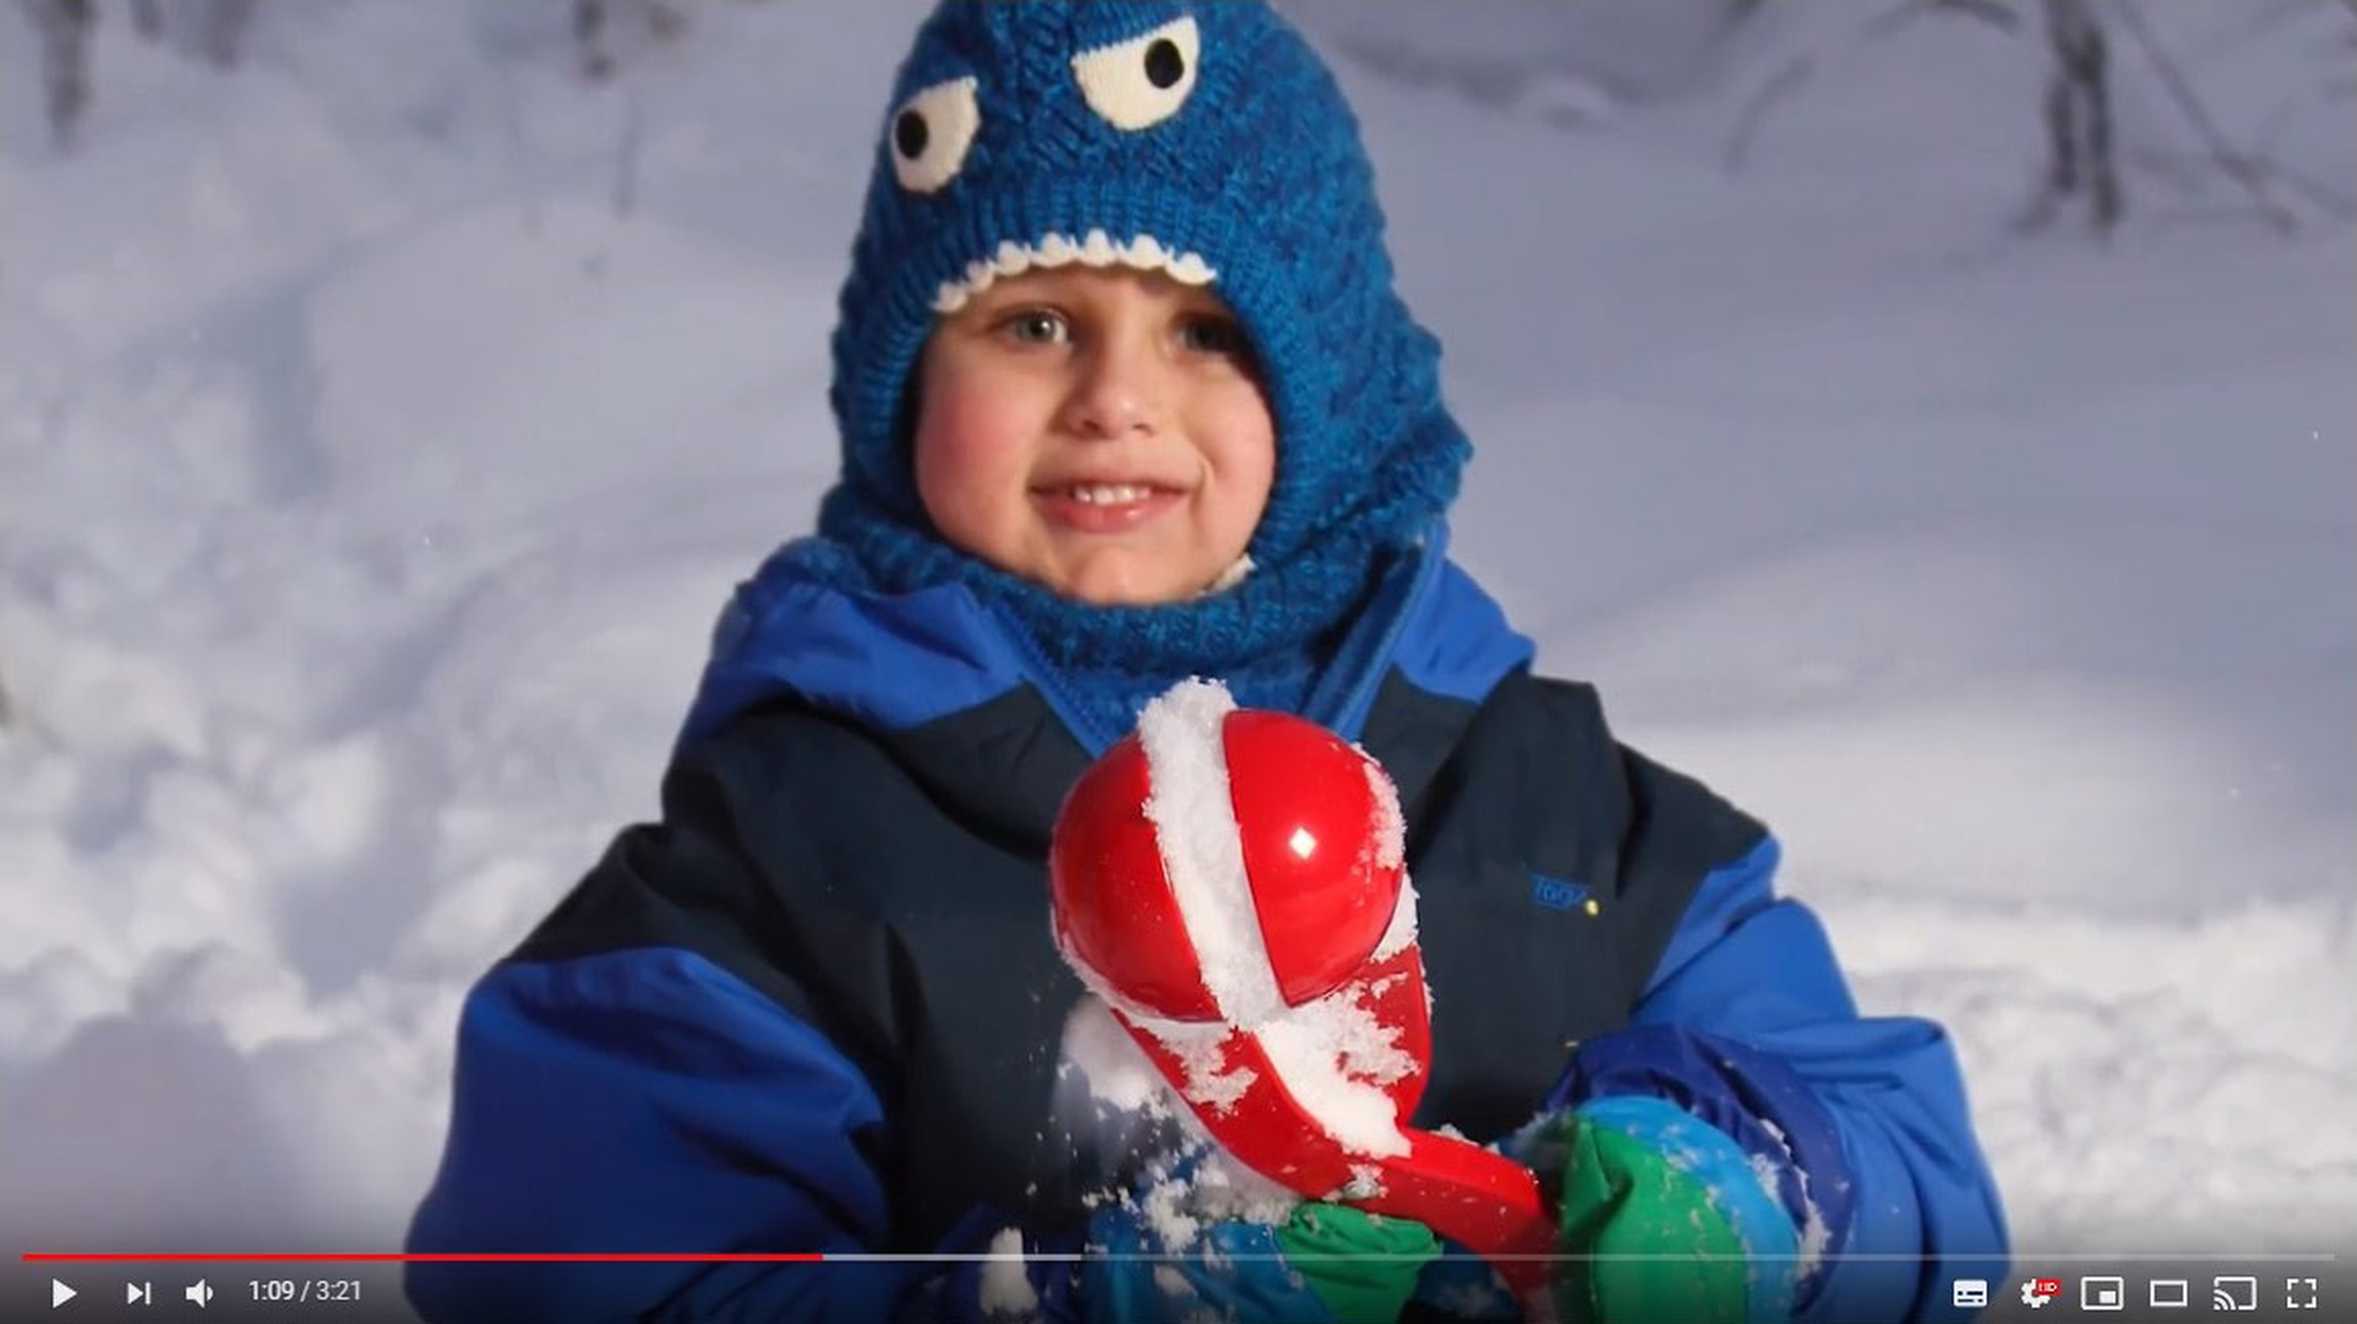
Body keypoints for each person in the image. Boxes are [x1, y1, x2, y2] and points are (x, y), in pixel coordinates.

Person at [405, 4, 2008, 1321]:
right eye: (1032, 323)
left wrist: (1754, 1190)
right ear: (901, 387)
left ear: (1332, 389)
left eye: (1205, 332)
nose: (1116, 397)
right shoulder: (784, 861)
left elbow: (1918, 1186)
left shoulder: (1556, 814)